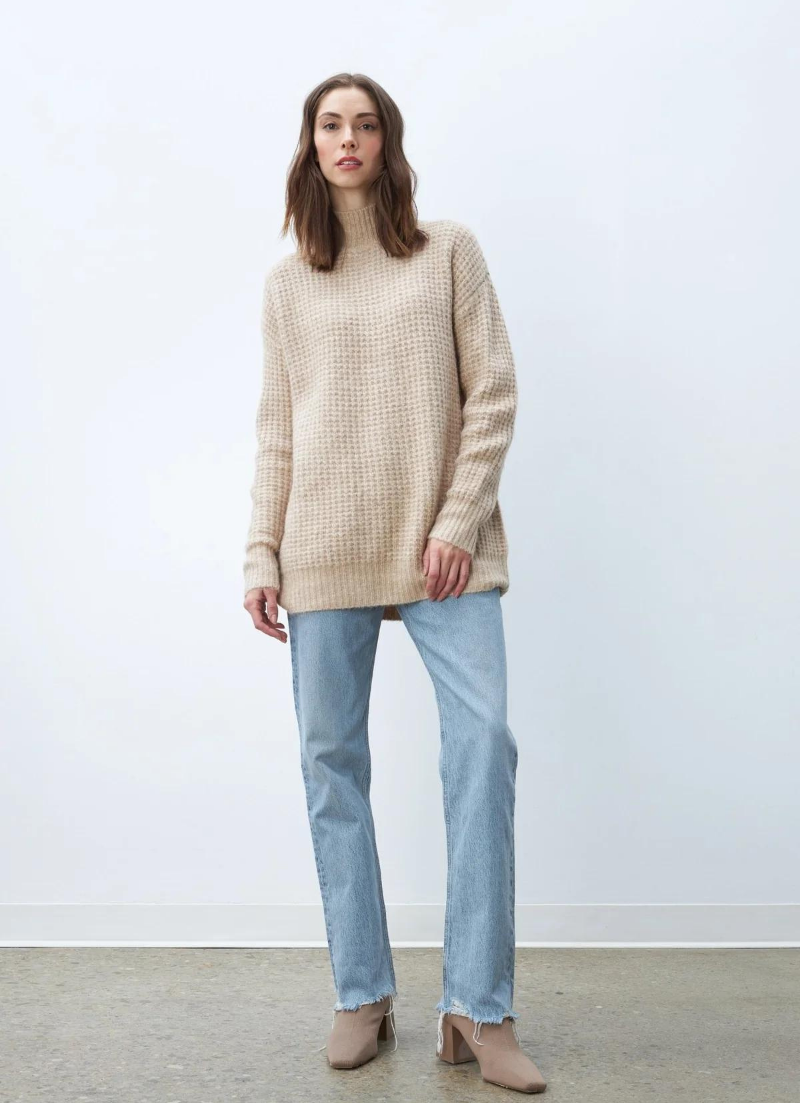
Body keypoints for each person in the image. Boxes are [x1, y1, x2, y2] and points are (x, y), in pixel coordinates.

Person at [242, 72, 546, 1094]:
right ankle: (362, 990)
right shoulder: (289, 285)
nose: (348, 139)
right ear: (310, 144)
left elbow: (492, 392)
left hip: (443, 552)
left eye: (365, 124)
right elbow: (278, 430)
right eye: (330, 124)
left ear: (388, 141)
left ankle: (479, 1007)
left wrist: (456, 520)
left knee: (483, 745)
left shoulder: (447, 250)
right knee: (331, 761)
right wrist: (260, 552)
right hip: (323, 546)